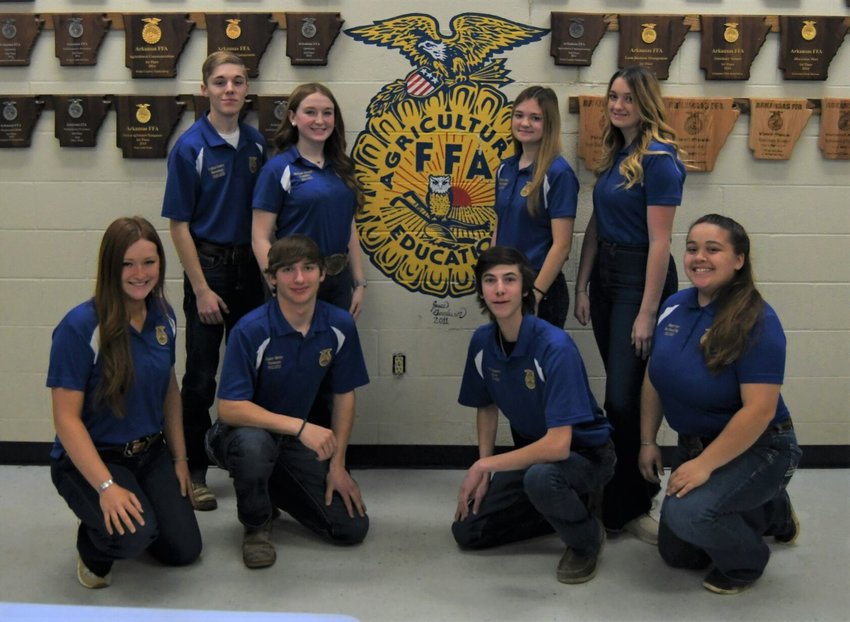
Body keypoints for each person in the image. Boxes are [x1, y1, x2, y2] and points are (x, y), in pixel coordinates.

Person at [639, 214, 801, 595]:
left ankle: (748, 562)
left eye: (714, 249)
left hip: (762, 446)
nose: (699, 257)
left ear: (739, 260)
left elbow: (759, 411)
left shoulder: (757, 320)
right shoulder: (675, 306)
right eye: (693, 248)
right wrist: (648, 440)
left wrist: (704, 467)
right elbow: (654, 375)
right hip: (697, 441)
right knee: (678, 554)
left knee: (688, 514)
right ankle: (771, 511)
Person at [48, 217, 202, 589]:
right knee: (133, 536)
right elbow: (66, 420)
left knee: (185, 550)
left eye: (149, 262)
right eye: (127, 264)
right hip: (95, 457)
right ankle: (92, 547)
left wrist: (180, 460)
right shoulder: (81, 327)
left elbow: (169, 392)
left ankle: (137, 512)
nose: (139, 274)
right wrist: (106, 487)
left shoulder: (165, 315)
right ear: (110, 267)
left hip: (149, 453)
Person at [452, 246, 615, 584]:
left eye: (509, 280)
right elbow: (486, 406)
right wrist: (485, 468)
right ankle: (562, 506)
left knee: (540, 479)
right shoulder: (482, 341)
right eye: (490, 280)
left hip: (584, 454)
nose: (499, 289)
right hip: (534, 455)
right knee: (468, 531)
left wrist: (485, 465)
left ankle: (585, 538)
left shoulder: (555, 347)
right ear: (480, 289)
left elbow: (558, 447)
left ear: (525, 288)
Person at [206, 235, 370, 569]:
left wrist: (337, 466)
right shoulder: (250, 329)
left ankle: (268, 488)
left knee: (350, 528)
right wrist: (302, 427)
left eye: (308, 268)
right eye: (288, 270)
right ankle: (256, 526)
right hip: (239, 434)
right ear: (271, 278)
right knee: (254, 447)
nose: (299, 278)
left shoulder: (338, 325)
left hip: (291, 440)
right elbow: (229, 408)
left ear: (322, 274)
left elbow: (344, 395)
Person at [573, 66, 686, 544]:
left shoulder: (660, 158)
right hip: (605, 277)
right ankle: (615, 497)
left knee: (623, 396)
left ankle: (633, 502)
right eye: (612, 97)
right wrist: (581, 284)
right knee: (618, 394)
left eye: (627, 98)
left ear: (646, 102)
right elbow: (596, 224)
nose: (618, 105)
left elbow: (661, 242)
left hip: (641, 278)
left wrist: (647, 310)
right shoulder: (617, 154)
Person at [161, 51, 267, 511]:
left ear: (247, 90)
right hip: (210, 269)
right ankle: (194, 472)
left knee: (250, 370)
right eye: (220, 81)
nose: (229, 89)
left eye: (238, 81)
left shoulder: (257, 144)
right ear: (204, 89)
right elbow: (179, 225)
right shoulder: (190, 147)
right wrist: (202, 288)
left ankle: (249, 462)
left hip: (251, 271)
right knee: (201, 376)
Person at [252, 82, 367, 318]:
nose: (320, 120)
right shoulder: (278, 169)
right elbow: (260, 236)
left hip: (338, 281)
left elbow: (349, 227)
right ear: (293, 117)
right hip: (297, 282)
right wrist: (277, 283)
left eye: (327, 113)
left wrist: (359, 282)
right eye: (310, 112)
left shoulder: (342, 167)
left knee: (332, 351)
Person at [493, 86, 579, 328]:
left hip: (539, 291)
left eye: (535, 118)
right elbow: (499, 227)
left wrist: (534, 296)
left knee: (537, 366)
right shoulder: (505, 169)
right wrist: (491, 277)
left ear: (548, 124)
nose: (525, 123)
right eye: (519, 115)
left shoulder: (558, 173)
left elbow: (562, 246)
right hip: (506, 287)